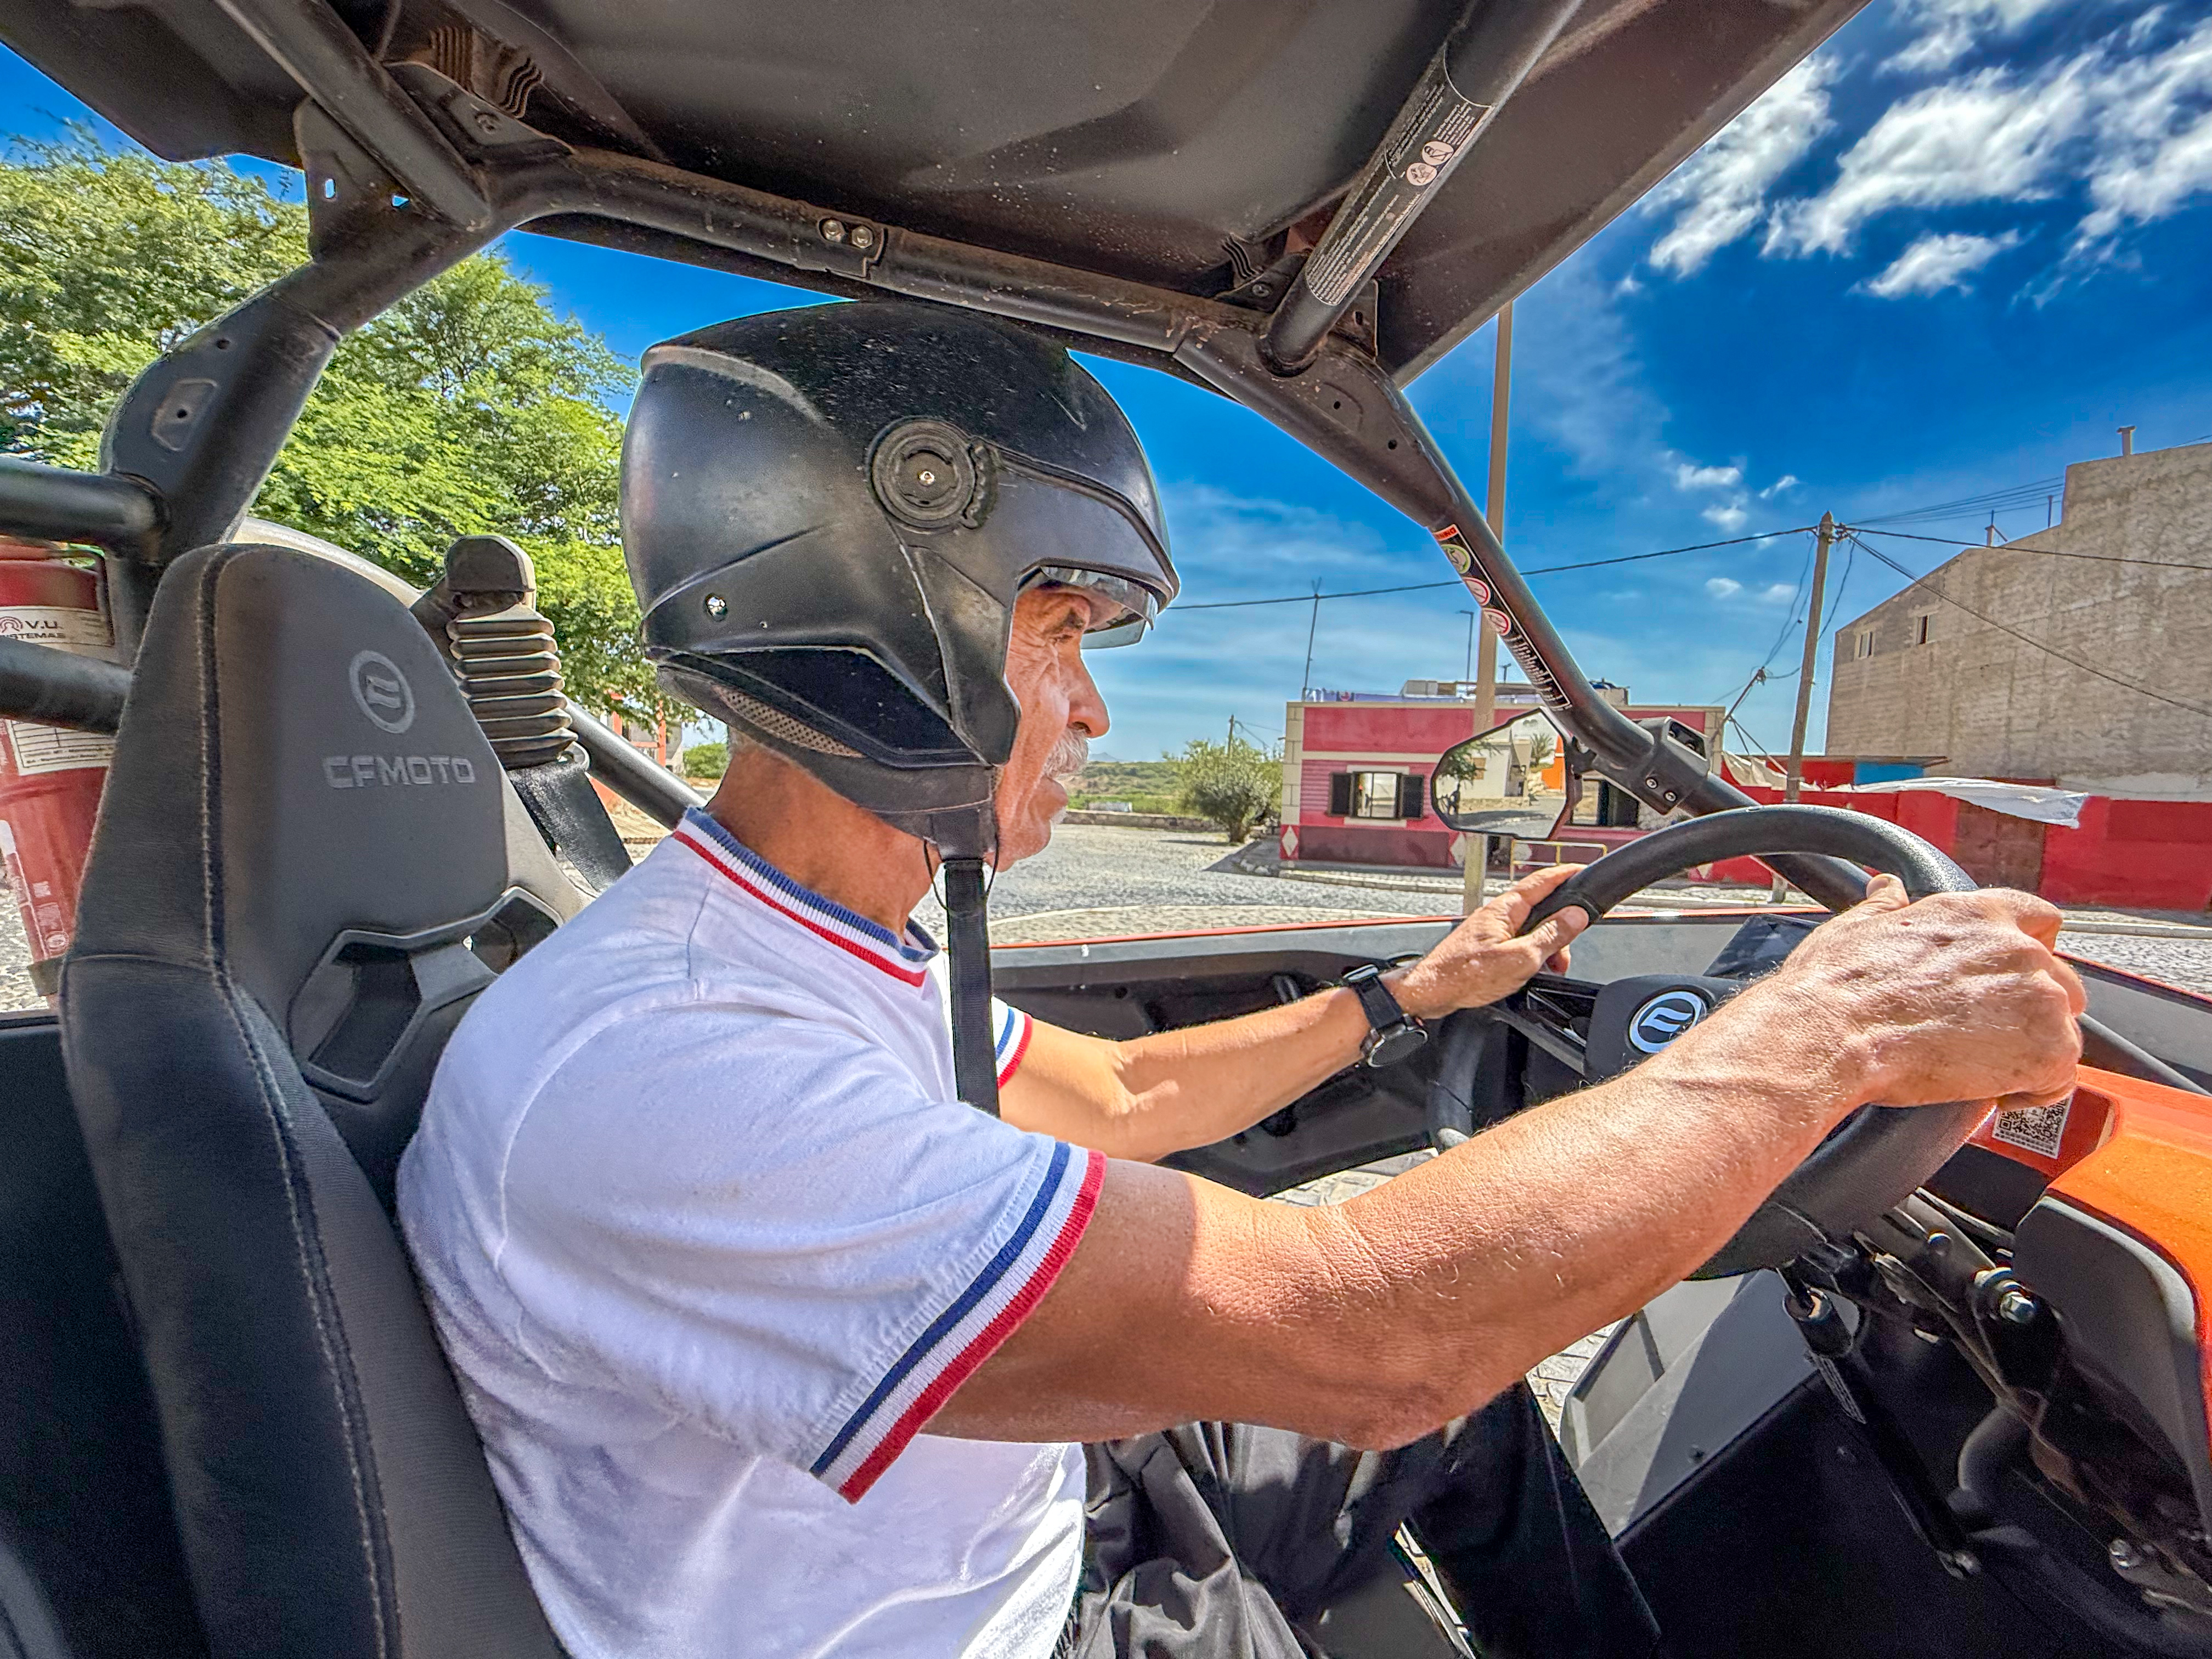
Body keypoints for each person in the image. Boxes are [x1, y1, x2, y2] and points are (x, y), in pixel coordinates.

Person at [398, 302, 2084, 1659]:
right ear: (883, 612)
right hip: (994, 1621)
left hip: (1021, 1501)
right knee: (1434, 1366)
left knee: (1480, 1405)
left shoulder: (793, 947)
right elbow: (1373, 1340)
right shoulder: (665, 1066)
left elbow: (1125, 1095)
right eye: (1060, 634)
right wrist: (1834, 1028)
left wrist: (1410, 997)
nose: (1096, 710)